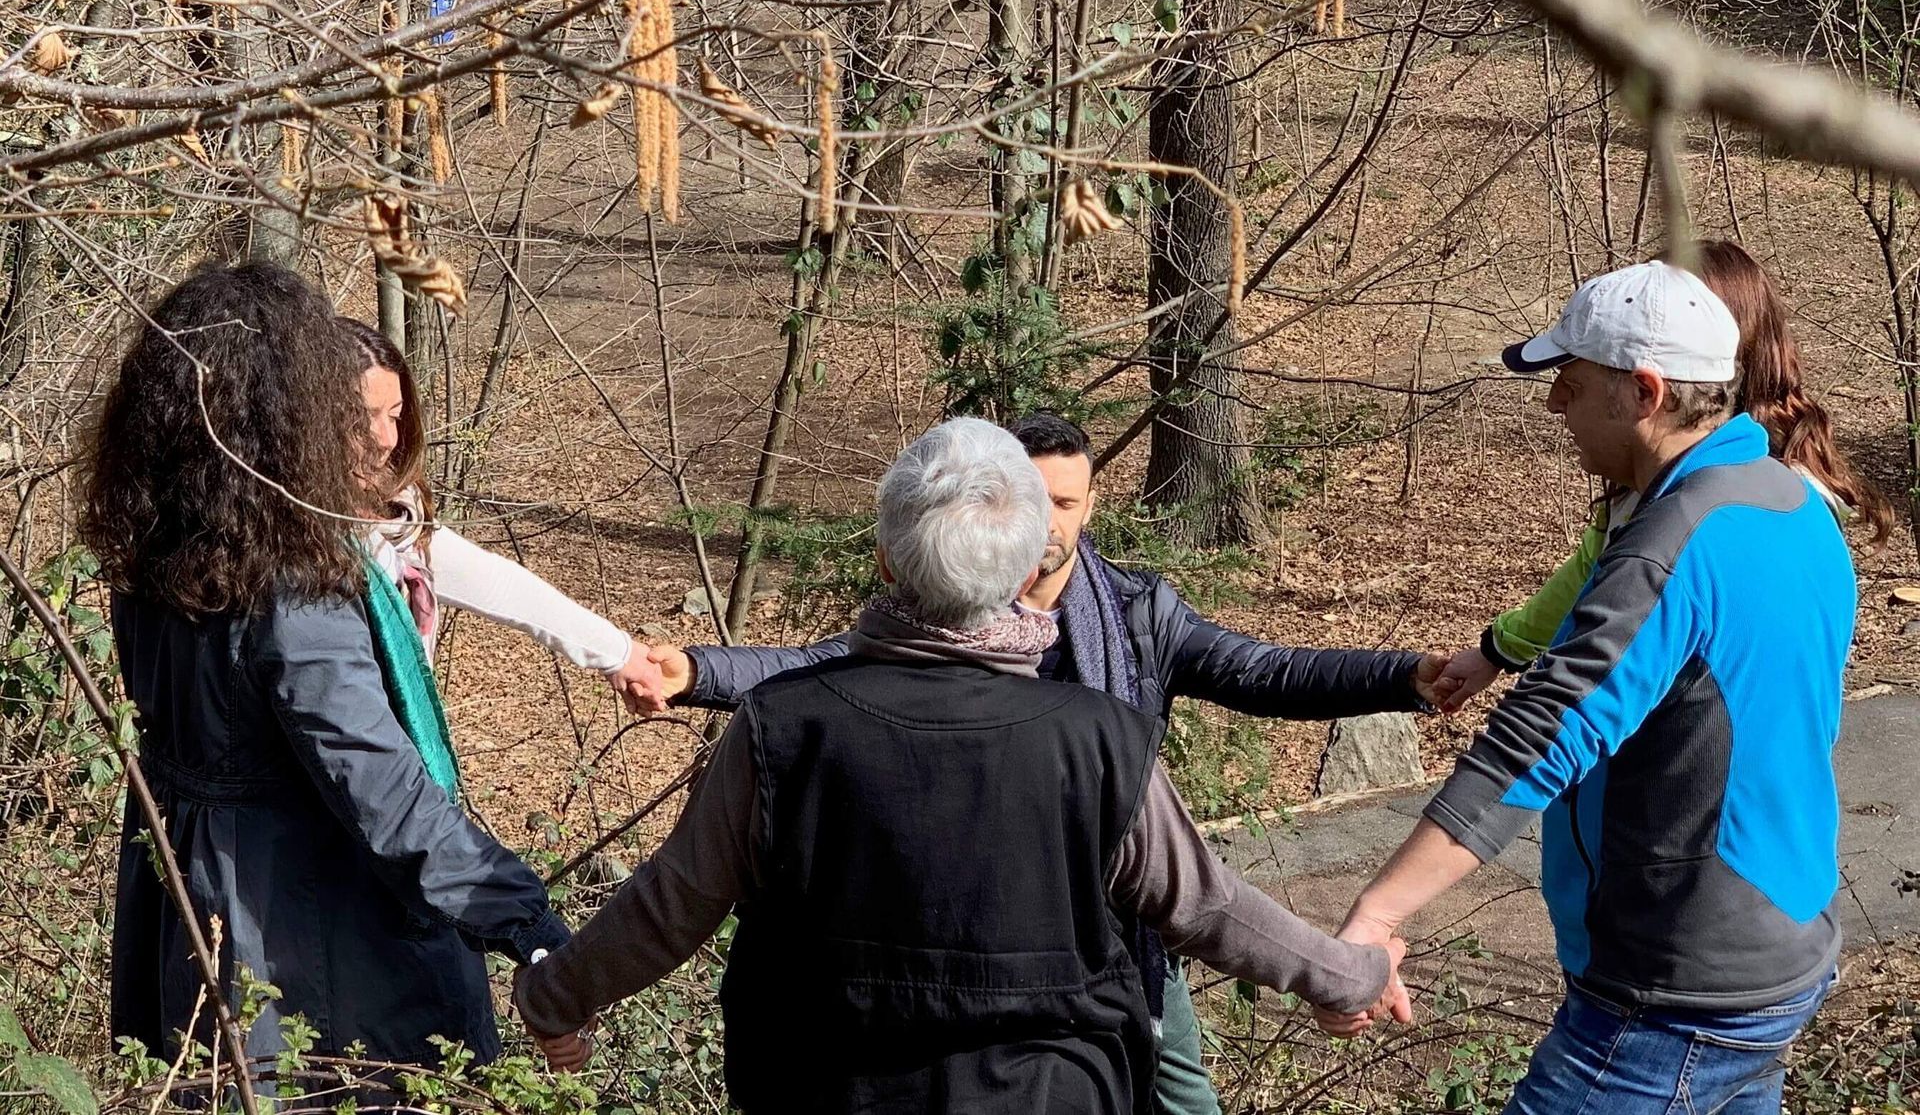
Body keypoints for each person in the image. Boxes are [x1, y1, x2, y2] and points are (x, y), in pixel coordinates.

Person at [514, 418, 1411, 1113]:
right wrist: (1348, 974)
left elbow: (674, 902)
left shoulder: (781, 728)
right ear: (1024, 566)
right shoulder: (1099, 738)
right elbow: (1205, 906)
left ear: (885, 558)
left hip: (823, 1090)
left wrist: (558, 996)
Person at [1325, 259, 1855, 1115]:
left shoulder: (1671, 549)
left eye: (1570, 385)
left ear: (1643, 392)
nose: (1552, 407)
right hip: (1778, 959)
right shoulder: (1791, 505)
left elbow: (1539, 735)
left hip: (1676, 996)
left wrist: (1377, 913)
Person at [85, 264, 569, 1079]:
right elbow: (384, 792)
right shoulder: (290, 578)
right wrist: (530, 924)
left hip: (193, 914)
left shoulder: (159, 544)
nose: (374, 434)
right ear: (286, 416)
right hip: (297, 936)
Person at [1430, 239, 1892, 711]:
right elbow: (1589, 572)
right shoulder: (1659, 481)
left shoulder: (1769, 505)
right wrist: (1498, 650)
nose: (1555, 403)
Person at [341, 318, 655, 706]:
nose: (386, 440)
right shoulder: (299, 546)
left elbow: (498, 584)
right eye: (360, 421)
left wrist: (620, 654)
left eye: (394, 415)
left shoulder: (399, 523)